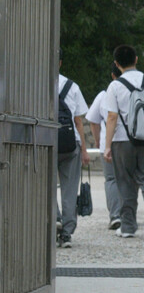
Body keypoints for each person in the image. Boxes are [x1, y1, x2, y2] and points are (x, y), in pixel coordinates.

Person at [104, 45, 144, 240]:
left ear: (116, 63)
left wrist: (107, 145)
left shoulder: (115, 86)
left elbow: (112, 117)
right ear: (136, 59)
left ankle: (128, 227)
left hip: (123, 141)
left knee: (125, 183)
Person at [56, 49, 91, 248]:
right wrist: (84, 150)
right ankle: (67, 233)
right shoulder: (72, 86)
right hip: (70, 144)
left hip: (44, 142)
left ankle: (55, 219)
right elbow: (78, 121)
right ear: (60, 63)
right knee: (69, 190)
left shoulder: (34, 83)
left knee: (44, 187)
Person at [86, 62, 123, 230]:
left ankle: (115, 215)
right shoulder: (136, 91)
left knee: (111, 180)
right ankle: (128, 214)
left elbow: (93, 120)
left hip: (108, 145)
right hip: (130, 144)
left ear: (112, 75)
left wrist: (99, 140)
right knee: (128, 180)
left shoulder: (103, 95)